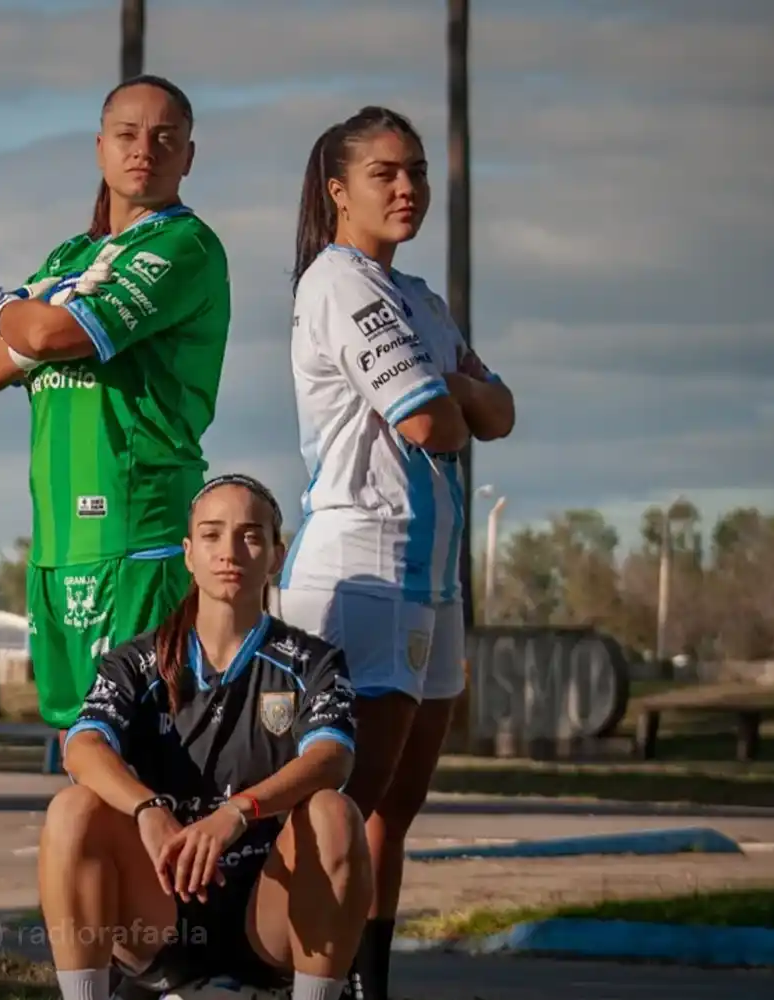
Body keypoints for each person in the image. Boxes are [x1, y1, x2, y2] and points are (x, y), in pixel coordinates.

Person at [277, 106, 516, 1000]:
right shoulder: (338, 283)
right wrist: (455, 395)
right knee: (341, 801)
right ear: (338, 192)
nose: (408, 186)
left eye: (415, 169)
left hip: (435, 576)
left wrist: (452, 391)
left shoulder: (422, 299)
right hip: (363, 568)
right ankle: (292, 973)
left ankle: (366, 983)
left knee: (396, 811)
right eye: (385, 173)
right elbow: (433, 420)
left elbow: (498, 412)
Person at [0, 74, 231, 741]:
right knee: (78, 745)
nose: (146, 150)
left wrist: (5, 310)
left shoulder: (182, 247)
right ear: (100, 148)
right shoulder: (70, 257)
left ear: (189, 156)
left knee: (145, 744)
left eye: (166, 138)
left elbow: (50, 334)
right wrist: (34, 334)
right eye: (128, 135)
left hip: (139, 534)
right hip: (57, 540)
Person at [39, 474, 371, 1000]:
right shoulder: (136, 661)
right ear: (188, 555)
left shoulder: (313, 662)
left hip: (268, 917)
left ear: (276, 556)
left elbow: (333, 758)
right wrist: (148, 810)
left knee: (334, 813)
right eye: (212, 536)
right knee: (73, 810)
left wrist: (237, 812)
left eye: (250, 535)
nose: (230, 552)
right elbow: (82, 747)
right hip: (160, 911)